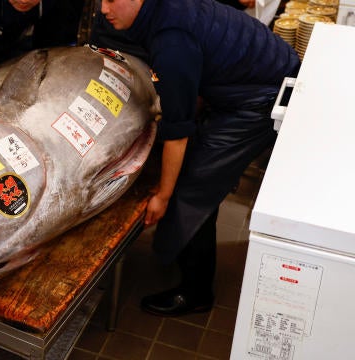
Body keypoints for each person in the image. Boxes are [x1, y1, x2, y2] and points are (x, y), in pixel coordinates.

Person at [91, 0, 300, 316]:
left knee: (191, 188)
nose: (103, 9)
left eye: (111, 0)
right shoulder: (162, 15)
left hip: (259, 100)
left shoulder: (171, 40)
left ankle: (196, 291)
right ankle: (181, 248)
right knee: (191, 168)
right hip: (259, 75)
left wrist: (162, 195)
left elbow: (178, 133)